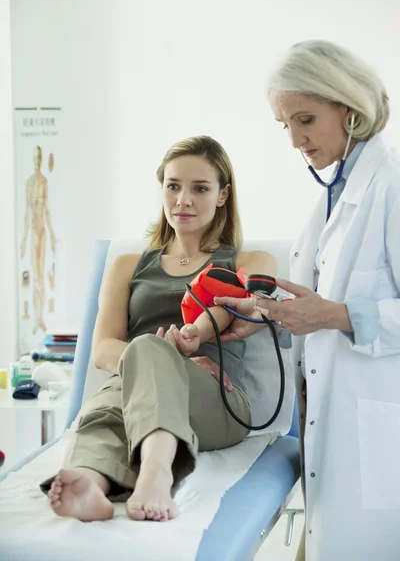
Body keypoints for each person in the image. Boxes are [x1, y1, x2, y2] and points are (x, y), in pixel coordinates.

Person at [215, 41, 400, 561]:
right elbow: (317, 297)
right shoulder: (336, 189)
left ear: (350, 109)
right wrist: (269, 316)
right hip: (329, 417)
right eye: (285, 125)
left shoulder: (391, 184)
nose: (296, 139)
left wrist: (335, 315)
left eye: (306, 120)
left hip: (376, 427)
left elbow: (338, 309)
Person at [41, 135, 276, 522]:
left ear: (222, 195)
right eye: (173, 186)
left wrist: (181, 345)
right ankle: (90, 483)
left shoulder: (250, 259)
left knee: (145, 353)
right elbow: (102, 350)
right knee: (112, 397)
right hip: (135, 386)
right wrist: (162, 358)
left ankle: (156, 470)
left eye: (200, 188)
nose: (183, 199)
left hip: (217, 401)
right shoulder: (126, 265)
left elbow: (243, 306)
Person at [20, 145, 57, 334]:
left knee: (42, 277)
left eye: (39, 157)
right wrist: (25, 239)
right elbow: (27, 212)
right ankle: (36, 318)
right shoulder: (29, 183)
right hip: (34, 232)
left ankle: (40, 318)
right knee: (36, 278)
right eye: (35, 157)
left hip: (43, 232)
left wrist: (52, 235)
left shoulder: (43, 182)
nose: (37, 160)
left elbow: (47, 211)